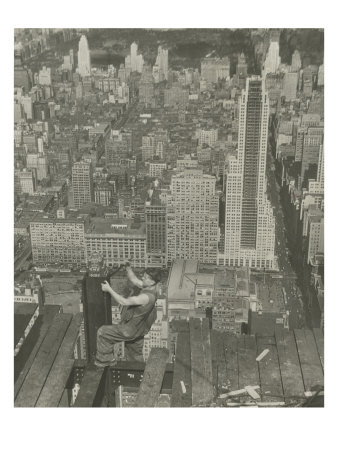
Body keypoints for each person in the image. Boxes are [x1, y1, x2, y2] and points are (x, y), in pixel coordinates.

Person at [95, 264, 161, 367]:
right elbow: (134, 280)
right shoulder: (152, 288)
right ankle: (137, 372)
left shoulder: (146, 297)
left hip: (130, 329)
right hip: (140, 329)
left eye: (146, 277)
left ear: (152, 281)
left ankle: (105, 360)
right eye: (143, 275)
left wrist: (109, 289)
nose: (142, 277)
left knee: (103, 333)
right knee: (134, 355)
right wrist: (128, 267)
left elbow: (124, 301)